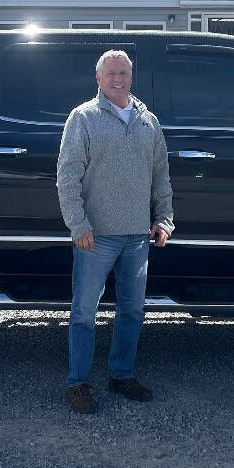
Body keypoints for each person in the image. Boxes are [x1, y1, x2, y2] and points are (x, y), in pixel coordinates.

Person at [56, 49, 174, 414]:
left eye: (123, 73)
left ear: (131, 76)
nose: (118, 79)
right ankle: (78, 383)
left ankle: (121, 375)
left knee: (132, 312)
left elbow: (160, 176)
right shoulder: (84, 118)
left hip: (138, 237)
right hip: (96, 237)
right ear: (98, 78)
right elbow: (67, 177)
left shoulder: (148, 122)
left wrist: (164, 218)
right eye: (111, 74)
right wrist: (78, 225)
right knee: (83, 313)